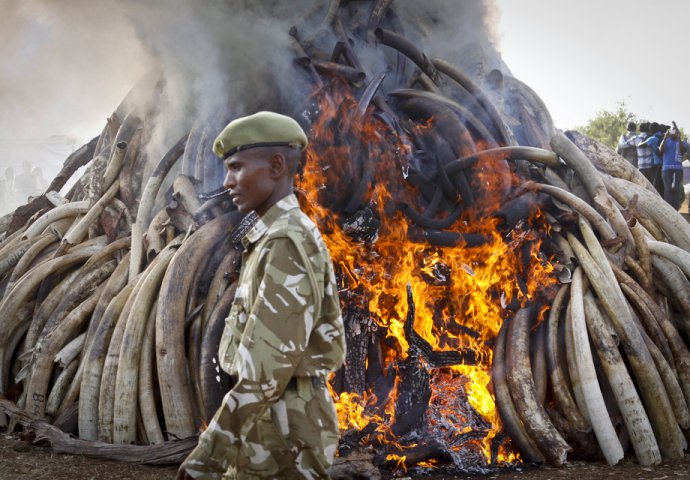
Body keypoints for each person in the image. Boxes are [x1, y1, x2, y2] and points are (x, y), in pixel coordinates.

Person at [177, 111, 346, 480]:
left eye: (237, 167)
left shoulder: (286, 240)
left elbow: (264, 371)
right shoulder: (272, 236)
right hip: (270, 423)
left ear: (275, 165)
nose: (228, 182)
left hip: (282, 432)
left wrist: (208, 456)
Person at [659, 123, 687, 209]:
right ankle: (668, 208)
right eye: (672, 130)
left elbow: (683, 151)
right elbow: (660, 150)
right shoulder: (665, 140)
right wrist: (665, 137)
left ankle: (676, 208)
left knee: (677, 189)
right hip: (666, 168)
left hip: (678, 169)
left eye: (675, 131)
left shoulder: (682, 142)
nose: (673, 133)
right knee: (667, 189)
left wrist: (679, 139)